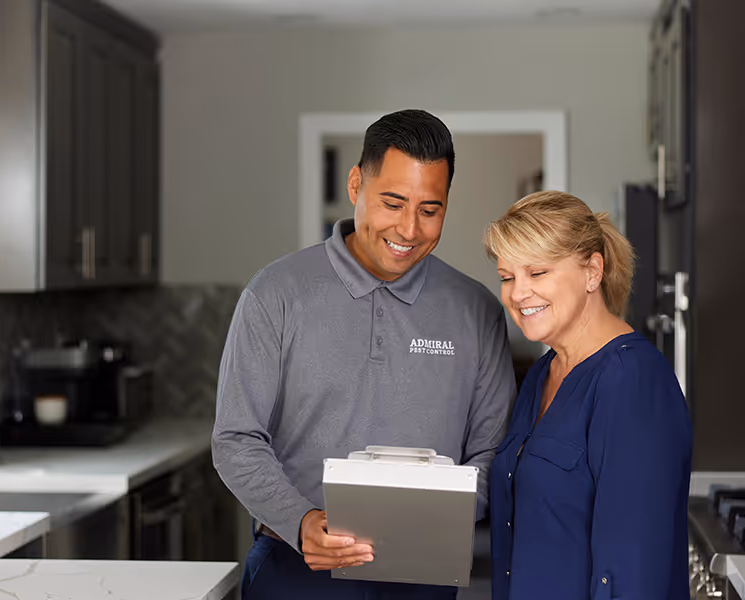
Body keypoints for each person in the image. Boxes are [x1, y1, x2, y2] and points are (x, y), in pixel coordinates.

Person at [212, 109, 516, 599]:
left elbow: (492, 452)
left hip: (424, 577)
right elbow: (235, 439)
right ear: (356, 184)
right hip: (296, 569)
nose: (409, 229)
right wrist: (301, 520)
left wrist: (437, 518)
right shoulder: (275, 294)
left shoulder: (477, 310)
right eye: (392, 202)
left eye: (430, 209)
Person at [484, 190, 692, 600]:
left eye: (537, 273)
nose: (517, 293)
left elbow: (633, 571)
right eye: (507, 277)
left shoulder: (632, 380)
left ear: (592, 272)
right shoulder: (542, 374)